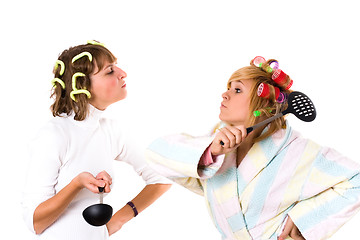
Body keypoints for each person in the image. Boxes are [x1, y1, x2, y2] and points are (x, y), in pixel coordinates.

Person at [145, 56, 360, 240]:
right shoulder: (217, 146)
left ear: (264, 104)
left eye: (237, 89)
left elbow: (356, 180)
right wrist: (211, 151)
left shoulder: (298, 151)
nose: (225, 94)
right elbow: (155, 153)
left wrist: (303, 219)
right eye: (228, 87)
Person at [21, 40, 171, 240]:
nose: (122, 73)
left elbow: (162, 176)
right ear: (83, 86)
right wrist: (77, 184)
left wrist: (118, 220)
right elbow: (35, 223)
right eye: (109, 71)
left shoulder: (111, 131)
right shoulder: (54, 135)